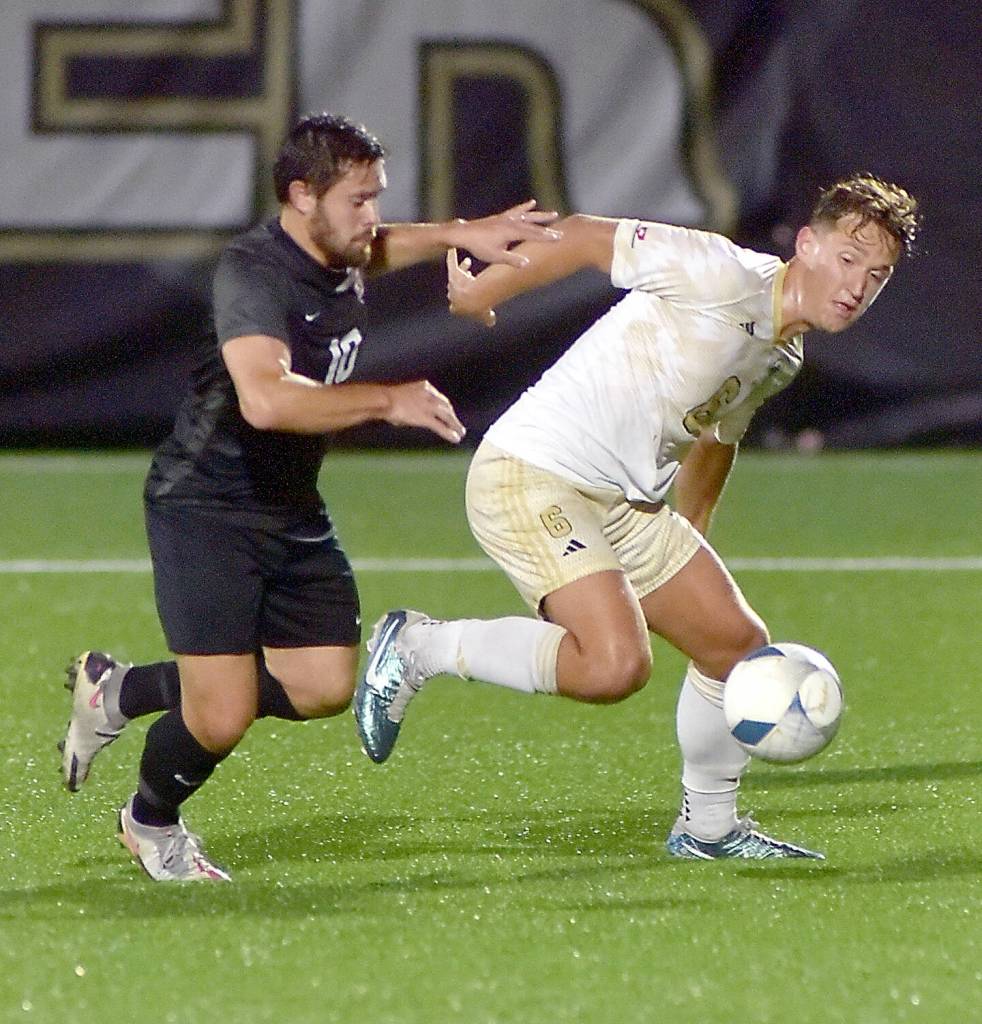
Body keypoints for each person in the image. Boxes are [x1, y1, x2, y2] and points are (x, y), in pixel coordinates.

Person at [354, 173, 919, 860]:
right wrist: (486, 291)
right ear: (807, 244)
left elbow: (715, 440)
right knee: (615, 666)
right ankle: (421, 647)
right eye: (847, 258)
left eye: (878, 275)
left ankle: (708, 830)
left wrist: (692, 536)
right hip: (535, 471)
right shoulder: (721, 272)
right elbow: (590, 238)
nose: (857, 284)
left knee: (734, 644)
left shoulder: (784, 353)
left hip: (626, 505)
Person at [59, 112, 561, 882]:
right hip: (208, 507)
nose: (373, 217)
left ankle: (120, 692)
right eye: (358, 199)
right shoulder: (253, 274)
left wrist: (469, 231)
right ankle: (151, 823)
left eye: (377, 197)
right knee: (220, 714)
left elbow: (381, 249)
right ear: (301, 196)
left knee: (325, 683)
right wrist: (385, 400)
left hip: (289, 505)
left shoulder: (340, 248)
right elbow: (264, 399)